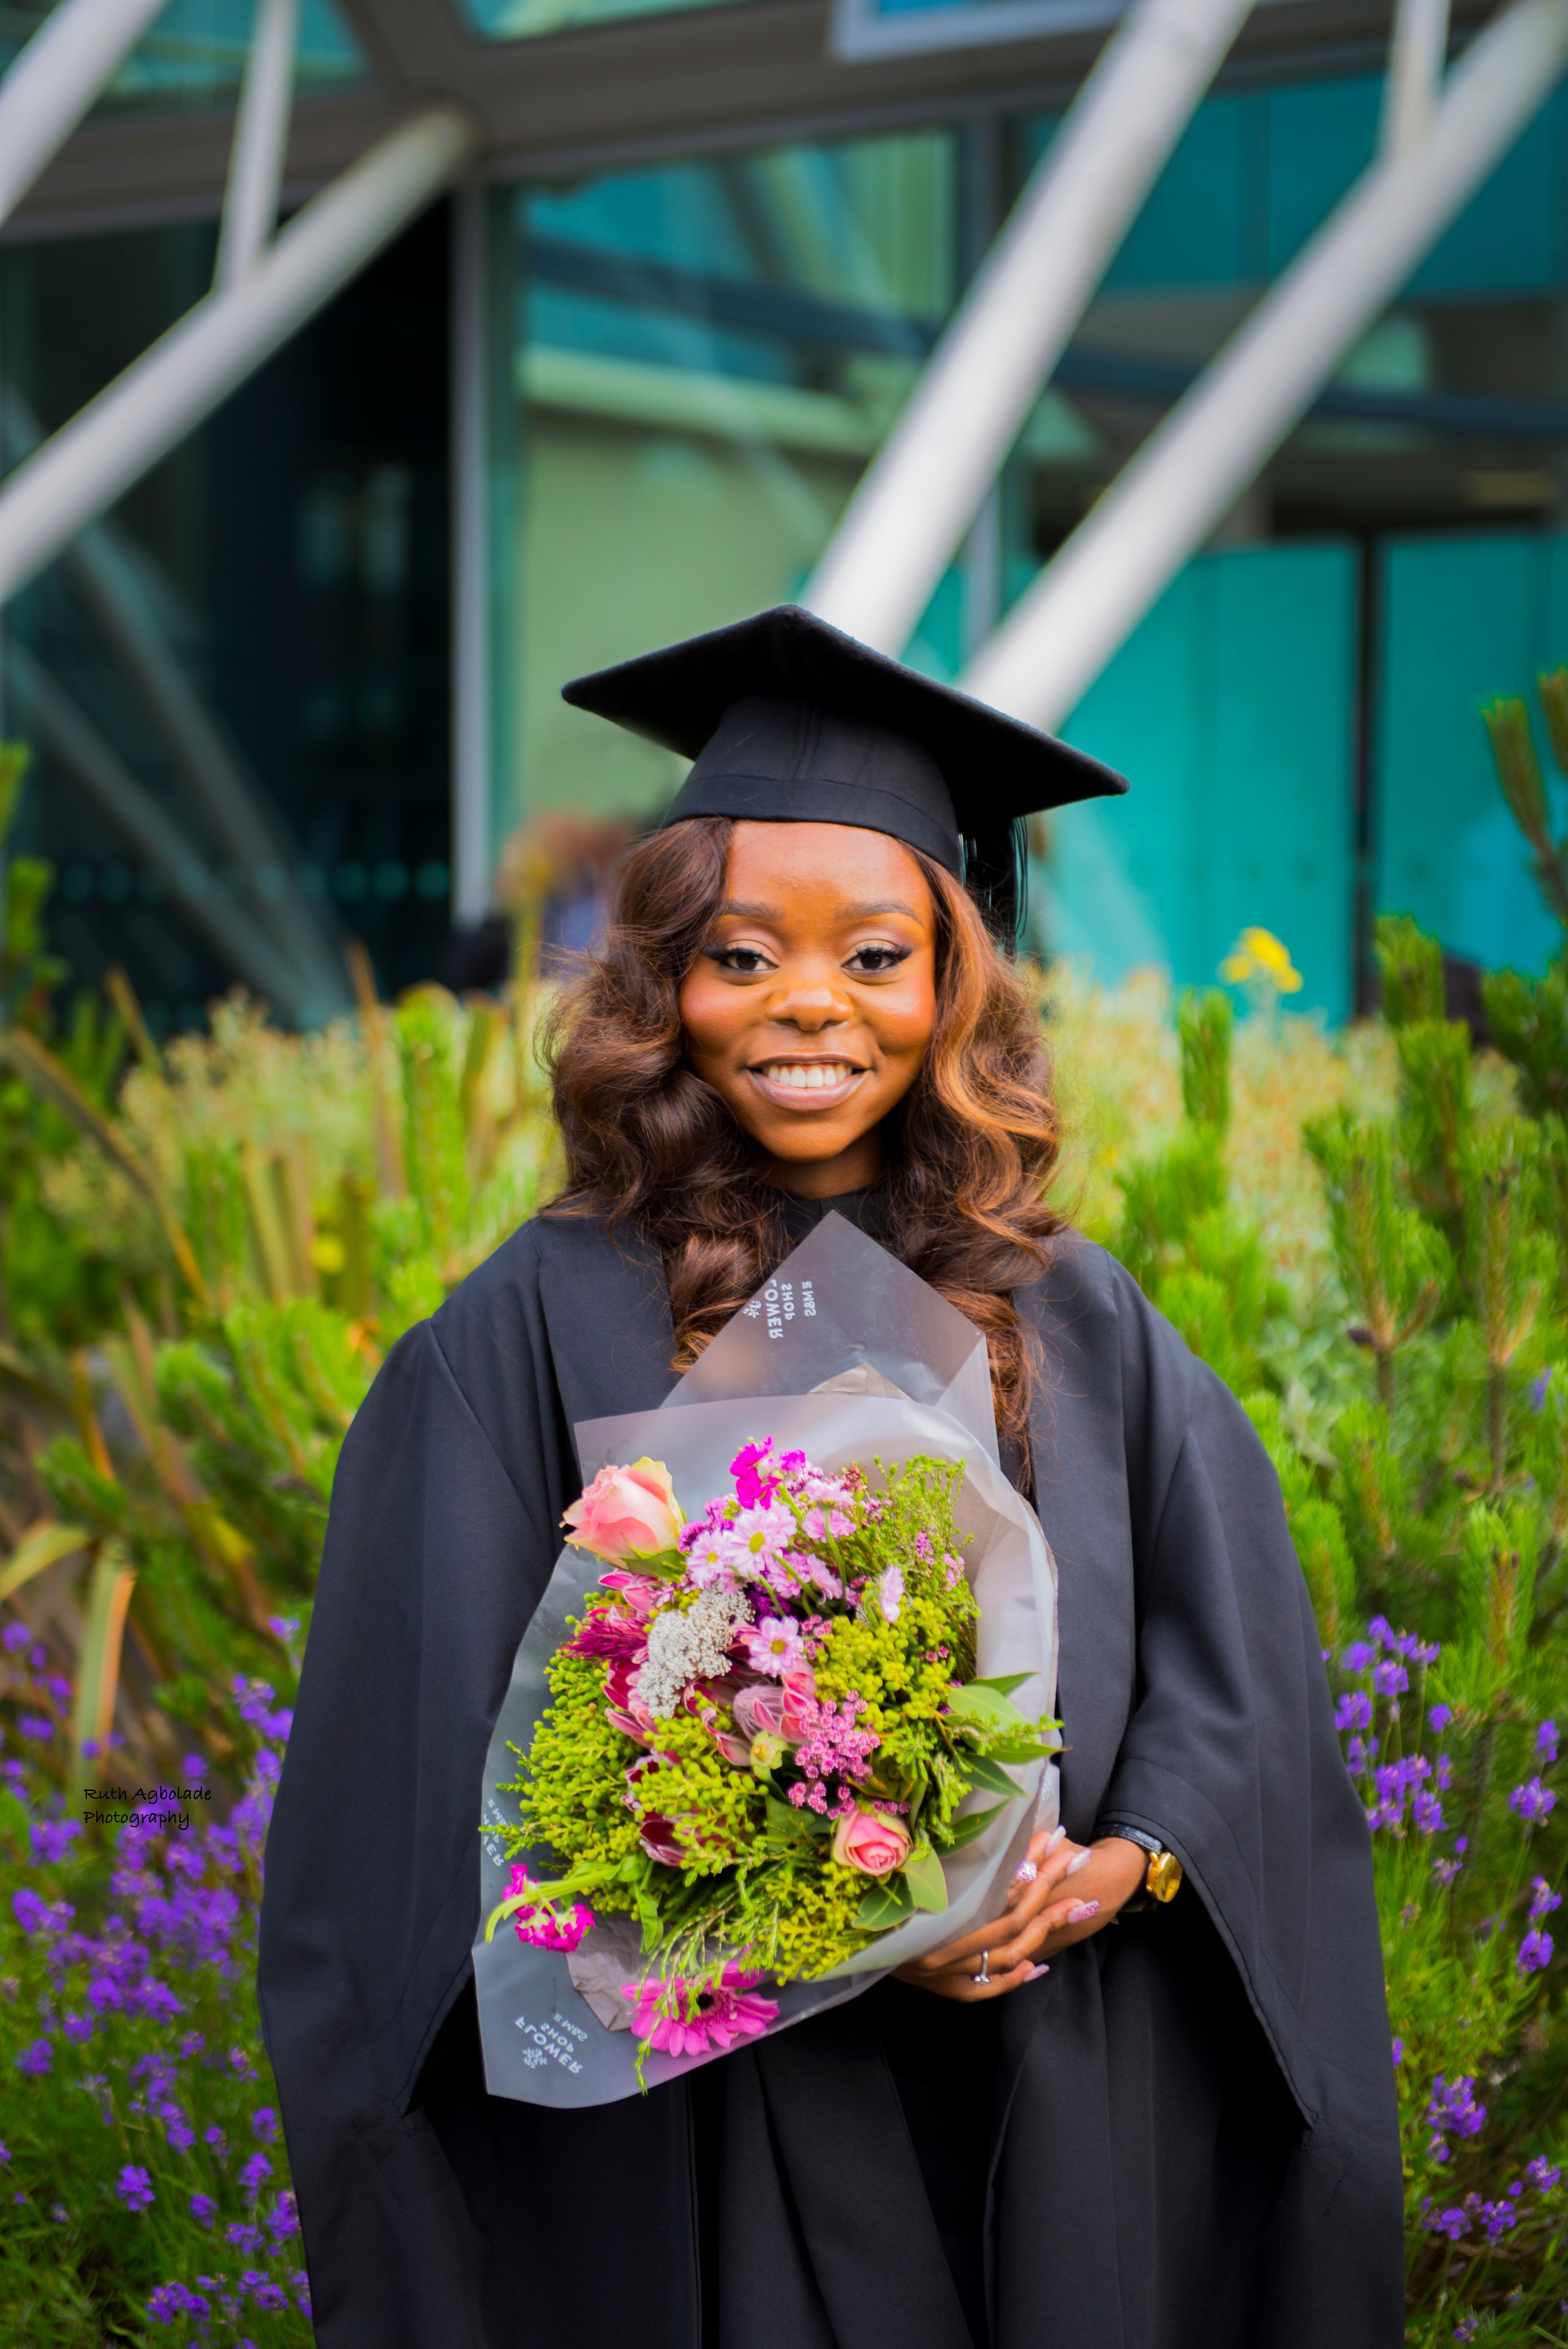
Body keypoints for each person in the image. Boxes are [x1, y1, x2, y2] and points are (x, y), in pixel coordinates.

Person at [258, 606, 1404, 2349]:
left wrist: (1126, 1862)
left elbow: (1227, 1654)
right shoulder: (527, 1326)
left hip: (1037, 2060)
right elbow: (418, 1798)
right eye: (742, 956)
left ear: (951, 981)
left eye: (876, 956)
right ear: (665, 985)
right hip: (699, 2129)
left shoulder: (1070, 1308)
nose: (811, 1003)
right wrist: (811, 1930)